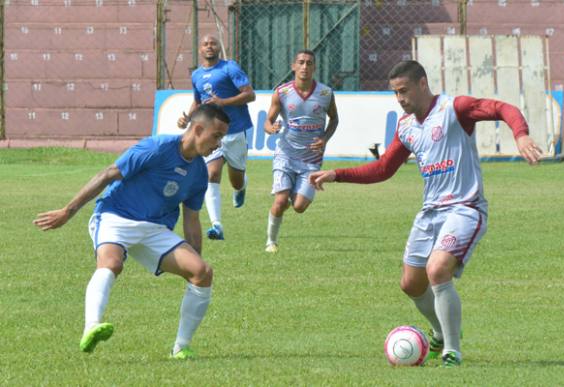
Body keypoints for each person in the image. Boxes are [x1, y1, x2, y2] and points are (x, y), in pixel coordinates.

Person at [309, 60, 543, 367]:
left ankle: (452, 352)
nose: (400, 99)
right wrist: (338, 174)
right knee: (411, 284)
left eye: (404, 91)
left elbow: (502, 108)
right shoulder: (406, 127)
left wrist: (521, 134)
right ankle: (439, 333)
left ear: (422, 84)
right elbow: (383, 169)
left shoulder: (454, 109)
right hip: (430, 213)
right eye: (395, 93)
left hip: (465, 207)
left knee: (437, 270)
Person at [33, 104, 230, 360]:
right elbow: (107, 174)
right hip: (116, 215)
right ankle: (91, 326)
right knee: (112, 264)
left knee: (203, 274)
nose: (218, 144)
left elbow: (191, 220)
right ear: (199, 129)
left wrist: (196, 260)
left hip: (155, 229)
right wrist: (67, 211)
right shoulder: (157, 148)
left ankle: (181, 347)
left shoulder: (199, 174)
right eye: (217, 136)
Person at [178, 34, 255, 241]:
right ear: (200, 49)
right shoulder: (196, 75)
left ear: (218, 47)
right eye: (205, 44)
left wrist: (224, 102)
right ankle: (217, 225)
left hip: (236, 130)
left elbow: (250, 94)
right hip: (212, 133)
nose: (209, 46)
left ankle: (242, 186)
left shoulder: (230, 68)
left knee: (236, 180)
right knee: (211, 174)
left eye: (212, 43)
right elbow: (198, 102)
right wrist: (188, 119)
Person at [263, 49, 339, 253]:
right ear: (293, 66)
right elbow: (267, 121)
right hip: (285, 154)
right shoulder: (282, 92)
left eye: (309, 63)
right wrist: (271, 128)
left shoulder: (325, 93)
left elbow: (334, 119)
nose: (305, 66)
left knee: (299, 207)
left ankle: (288, 195)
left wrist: (324, 138)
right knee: (280, 201)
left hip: (311, 159)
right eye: (301, 62)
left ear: (314, 67)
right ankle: (271, 242)